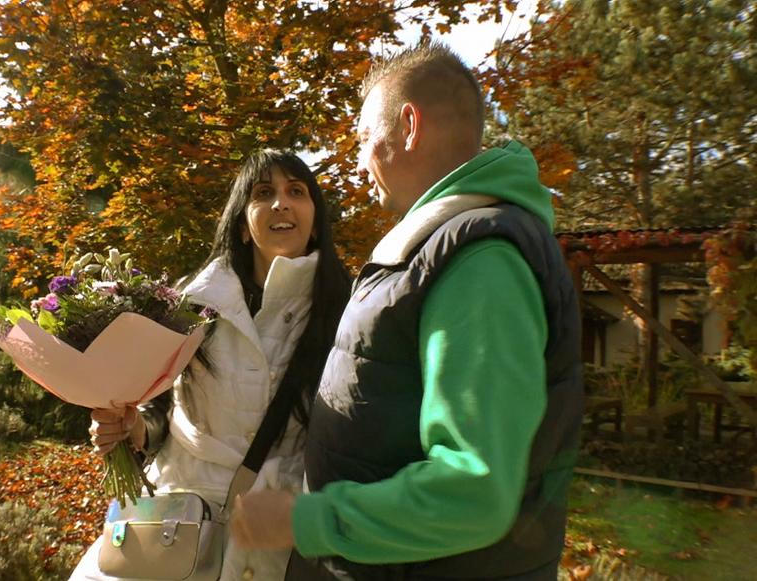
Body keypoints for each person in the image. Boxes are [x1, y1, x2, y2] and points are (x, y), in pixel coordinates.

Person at [230, 42, 584, 580]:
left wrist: (309, 520)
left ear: (409, 125)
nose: (357, 160)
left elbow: (474, 491)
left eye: (364, 137)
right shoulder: (437, 249)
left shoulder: (481, 263)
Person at [70, 149, 351, 580]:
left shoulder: (347, 310)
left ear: (315, 223)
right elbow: (159, 408)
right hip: (177, 527)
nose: (281, 202)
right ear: (242, 224)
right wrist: (130, 428)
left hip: (277, 538)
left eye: (296, 191)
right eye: (263, 193)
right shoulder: (191, 305)